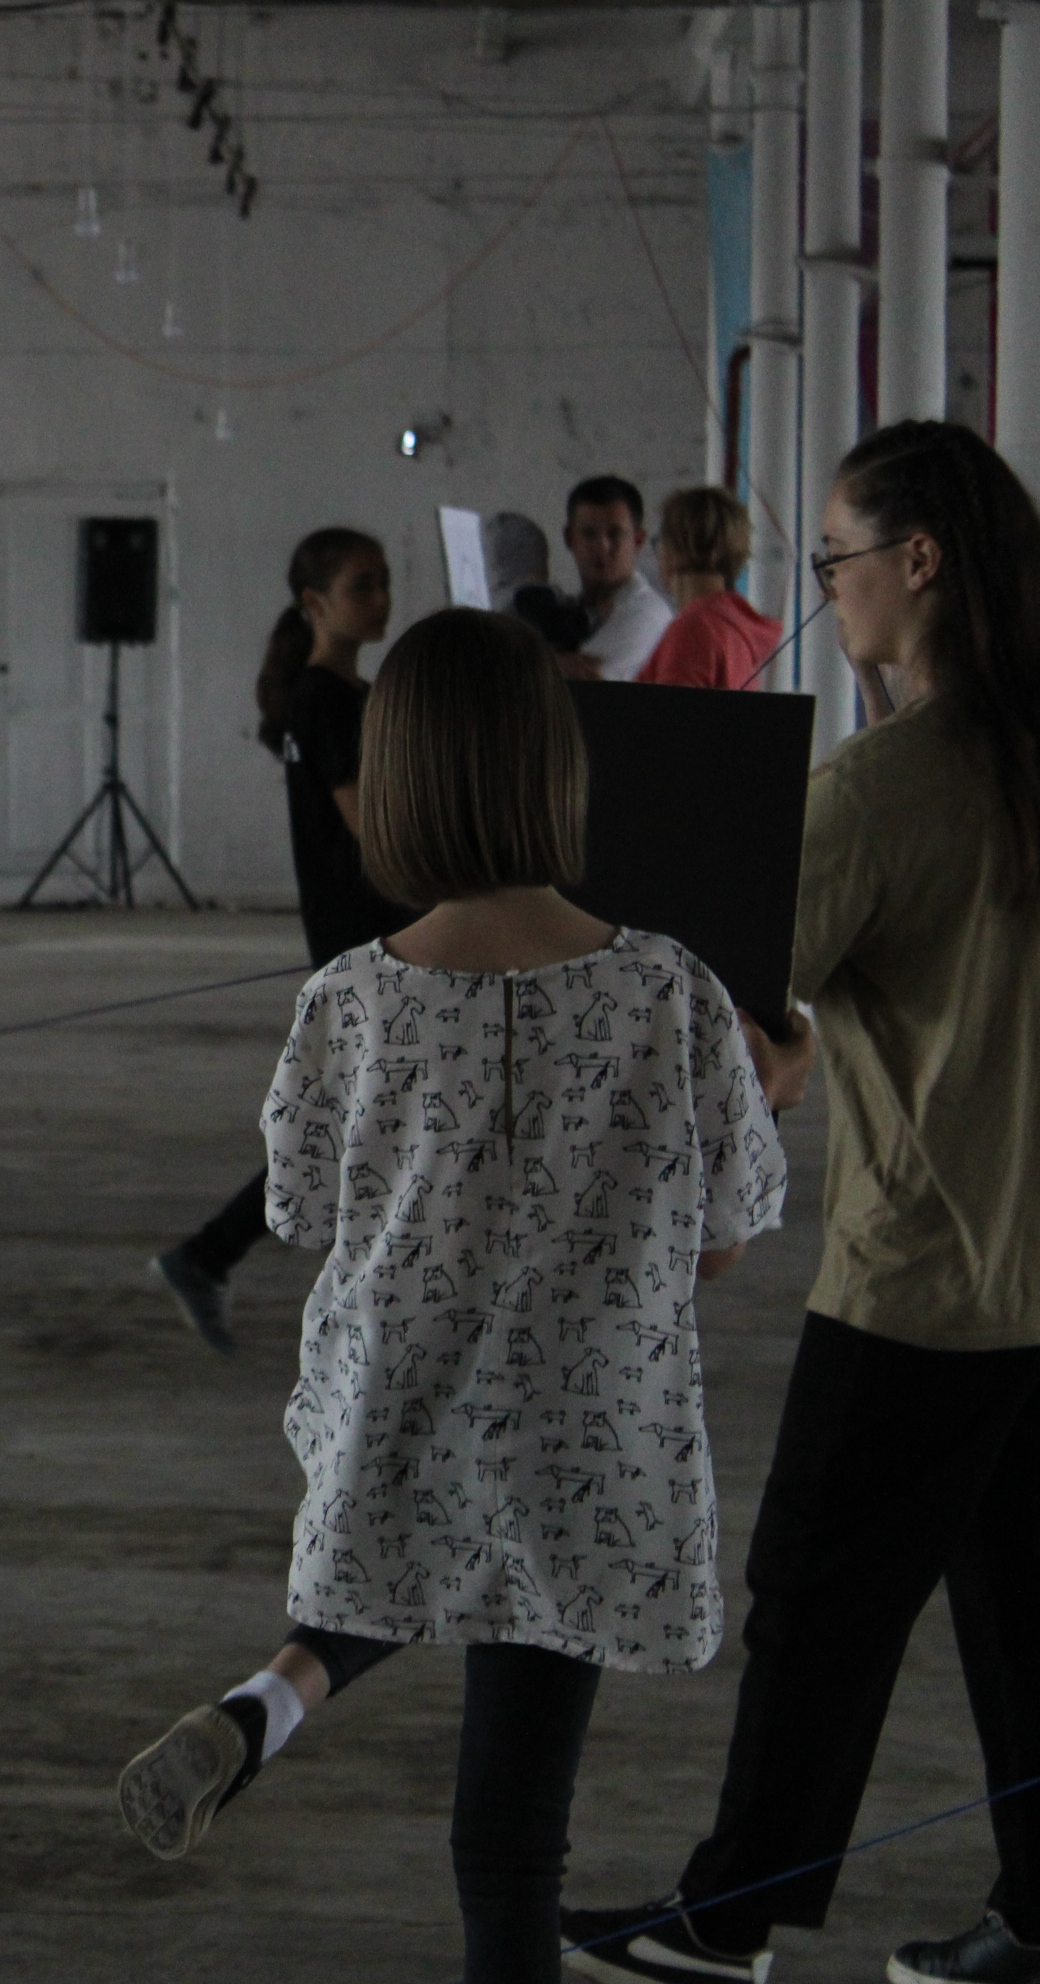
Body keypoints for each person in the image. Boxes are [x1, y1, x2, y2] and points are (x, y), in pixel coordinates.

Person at [114, 607, 789, 1984]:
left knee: (405, 1564)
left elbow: (302, 1213)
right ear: (560, 769)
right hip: (587, 1444)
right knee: (512, 1844)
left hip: (404, 1406)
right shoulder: (671, 990)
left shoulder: (349, 1001)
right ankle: (279, 1711)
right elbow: (722, 1240)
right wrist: (784, 1078)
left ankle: (268, 1700)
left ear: (398, 783)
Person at [562, 422, 1040, 1984]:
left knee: (819, 1607)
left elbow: (721, 1010)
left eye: (837, 556)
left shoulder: (885, 786)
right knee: (1022, 1612)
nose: (827, 587)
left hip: (926, 1279)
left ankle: (727, 1921)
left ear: (920, 562)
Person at [152, 528, 410, 1353]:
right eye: (362, 586)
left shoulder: (349, 694)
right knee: (364, 1125)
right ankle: (222, 1257)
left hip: (370, 937)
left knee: (356, 1124)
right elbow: (373, 828)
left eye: (384, 582)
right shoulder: (325, 699)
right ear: (315, 603)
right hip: (366, 942)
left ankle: (211, 1255)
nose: (380, 599)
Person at [636, 485, 784, 692]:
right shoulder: (733, 627)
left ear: (677, 547)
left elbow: (671, 711)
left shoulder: (693, 629)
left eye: (659, 542)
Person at [566, 475, 675, 682]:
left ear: (638, 540)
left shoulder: (644, 614)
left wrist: (551, 663)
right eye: (589, 534)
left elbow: (580, 680)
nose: (602, 546)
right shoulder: (572, 609)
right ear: (570, 539)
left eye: (615, 534)